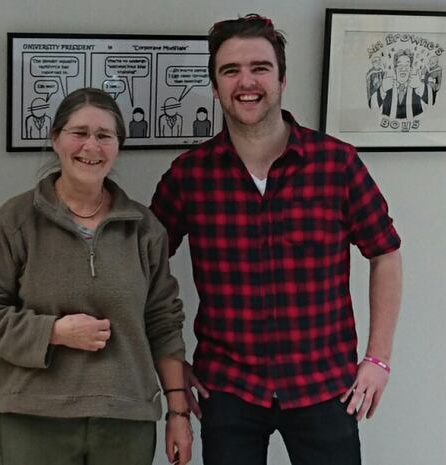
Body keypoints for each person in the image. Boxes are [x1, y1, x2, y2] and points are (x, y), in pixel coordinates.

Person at [150, 15, 402, 465]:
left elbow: (385, 252)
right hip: (227, 390)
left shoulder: (336, 165)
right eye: (230, 71)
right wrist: (171, 370)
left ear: (282, 79)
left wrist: (377, 359)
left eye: (259, 67)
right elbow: (142, 268)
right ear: (214, 86)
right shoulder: (189, 176)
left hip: (324, 385)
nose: (246, 81)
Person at [0, 87, 192, 465]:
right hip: (35, 419)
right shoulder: (17, 221)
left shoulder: (144, 229)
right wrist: (53, 332)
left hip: (126, 421)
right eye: (79, 133)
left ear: (118, 145)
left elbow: (164, 324)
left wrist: (178, 414)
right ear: (55, 139)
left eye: (104, 135)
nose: (91, 146)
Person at [378, 49, 429, 120]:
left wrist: (420, 86)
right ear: (395, 69)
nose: (403, 69)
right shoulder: (387, 88)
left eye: (406, 65)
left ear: (410, 69)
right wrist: (382, 89)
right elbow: (373, 108)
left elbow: (431, 104)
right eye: (400, 65)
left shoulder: (417, 88)